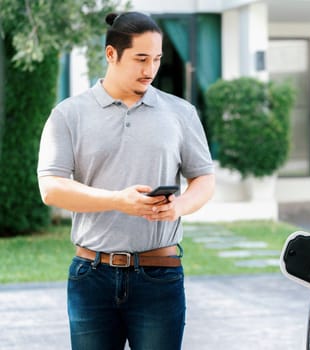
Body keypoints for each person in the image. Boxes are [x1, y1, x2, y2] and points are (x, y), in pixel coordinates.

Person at [37, 11, 215, 350]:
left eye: (158, 59)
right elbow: (51, 187)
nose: (150, 70)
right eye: (141, 59)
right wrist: (118, 200)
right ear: (111, 54)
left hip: (160, 274)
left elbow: (204, 179)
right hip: (91, 276)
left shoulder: (180, 113)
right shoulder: (68, 114)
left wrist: (179, 206)